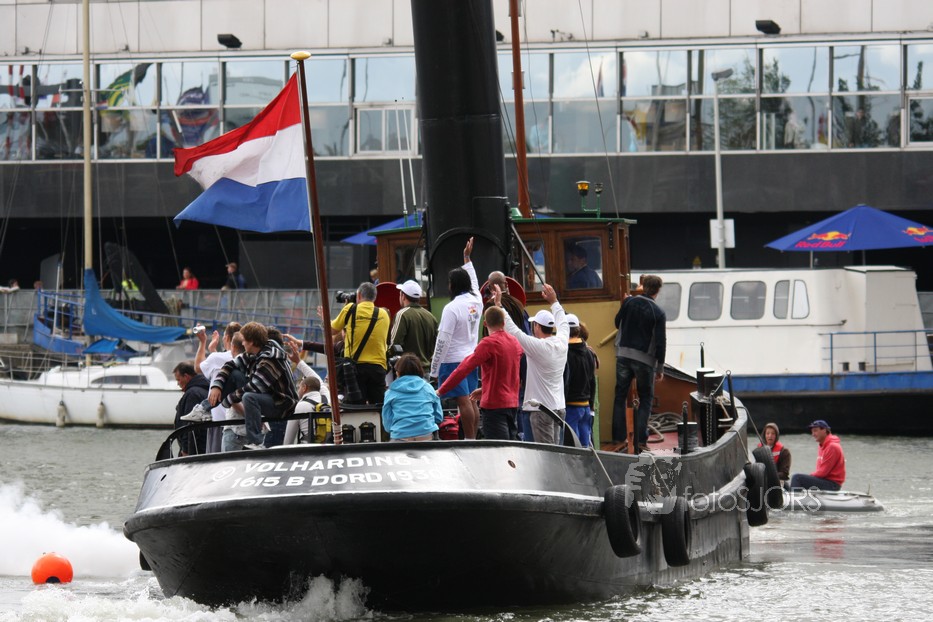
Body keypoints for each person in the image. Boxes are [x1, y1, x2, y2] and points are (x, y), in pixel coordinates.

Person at [437, 305, 523, 440]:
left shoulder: (488, 343)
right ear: (503, 323)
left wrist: (441, 390)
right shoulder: (515, 342)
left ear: (485, 323)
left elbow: (463, 368)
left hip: (494, 406)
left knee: (498, 448)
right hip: (512, 405)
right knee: (511, 446)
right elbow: (509, 374)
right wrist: (484, 389)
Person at [498, 282, 569, 445]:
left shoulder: (537, 347)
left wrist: (499, 306)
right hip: (559, 408)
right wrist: (554, 301)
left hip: (541, 410)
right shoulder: (562, 342)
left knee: (545, 455)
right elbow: (563, 323)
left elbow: (514, 331)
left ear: (536, 326)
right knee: (557, 451)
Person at [211, 322, 298, 450]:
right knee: (234, 373)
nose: (242, 343)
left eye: (244, 340)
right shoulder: (255, 353)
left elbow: (255, 387)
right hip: (270, 397)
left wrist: (227, 399)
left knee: (249, 397)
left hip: (283, 404)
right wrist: (216, 387)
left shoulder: (270, 359)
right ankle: (207, 406)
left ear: (251, 342)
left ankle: (256, 441)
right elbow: (229, 365)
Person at [430, 237, 483, 439]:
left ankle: (469, 440)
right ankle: (473, 439)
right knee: (472, 400)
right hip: (471, 357)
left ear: (452, 285)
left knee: (463, 401)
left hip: (453, 360)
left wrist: (434, 369)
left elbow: (442, 341)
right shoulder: (477, 300)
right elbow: (475, 282)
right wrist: (467, 259)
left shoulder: (451, 308)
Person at [612, 274, 666, 452]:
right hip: (644, 360)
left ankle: (618, 438)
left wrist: (626, 303)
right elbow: (661, 342)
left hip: (623, 355)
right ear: (657, 291)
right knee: (646, 398)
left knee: (620, 395)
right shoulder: (658, 312)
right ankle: (641, 441)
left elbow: (617, 323)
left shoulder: (629, 302)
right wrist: (660, 368)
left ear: (643, 287)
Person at [324, 282, 390, 404]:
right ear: (375, 297)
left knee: (356, 408)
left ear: (358, 295)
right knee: (379, 406)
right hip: (378, 368)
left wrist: (326, 318)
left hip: (355, 369)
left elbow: (331, 331)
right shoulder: (384, 314)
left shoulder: (350, 309)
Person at [183, 322, 241, 454]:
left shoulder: (216, 358)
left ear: (227, 338)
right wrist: (213, 350)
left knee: (217, 459)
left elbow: (198, 367)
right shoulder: (244, 358)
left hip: (220, 420)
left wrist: (202, 342)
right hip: (239, 421)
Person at [383, 353, 443, 441]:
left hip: (400, 437)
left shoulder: (390, 392)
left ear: (398, 373)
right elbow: (438, 417)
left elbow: (387, 425)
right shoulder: (428, 388)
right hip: (426, 436)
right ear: (420, 371)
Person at [389, 280, 438, 376]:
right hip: (426, 371)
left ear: (403, 296)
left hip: (407, 370)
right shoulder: (431, 316)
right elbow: (436, 345)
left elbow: (394, 344)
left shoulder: (402, 314)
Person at [564, 313, 597, 447]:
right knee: (585, 446)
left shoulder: (565, 353)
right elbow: (592, 380)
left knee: (572, 447)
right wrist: (591, 404)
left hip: (571, 406)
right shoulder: (589, 353)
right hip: (585, 406)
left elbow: (565, 381)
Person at [790, 420, 845, 491]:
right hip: (825, 481)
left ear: (824, 430)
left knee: (797, 478)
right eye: (812, 432)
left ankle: (793, 498)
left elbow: (823, 472)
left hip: (832, 484)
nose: (813, 434)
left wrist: (809, 477)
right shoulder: (822, 445)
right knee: (788, 481)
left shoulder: (832, 447)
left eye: (815, 431)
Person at [172, 361, 209, 456]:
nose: (178, 384)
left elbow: (189, 424)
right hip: (204, 445)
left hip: (195, 449)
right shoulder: (205, 389)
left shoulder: (192, 394)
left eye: (179, 380)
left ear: (186, 376)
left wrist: (186, 450)